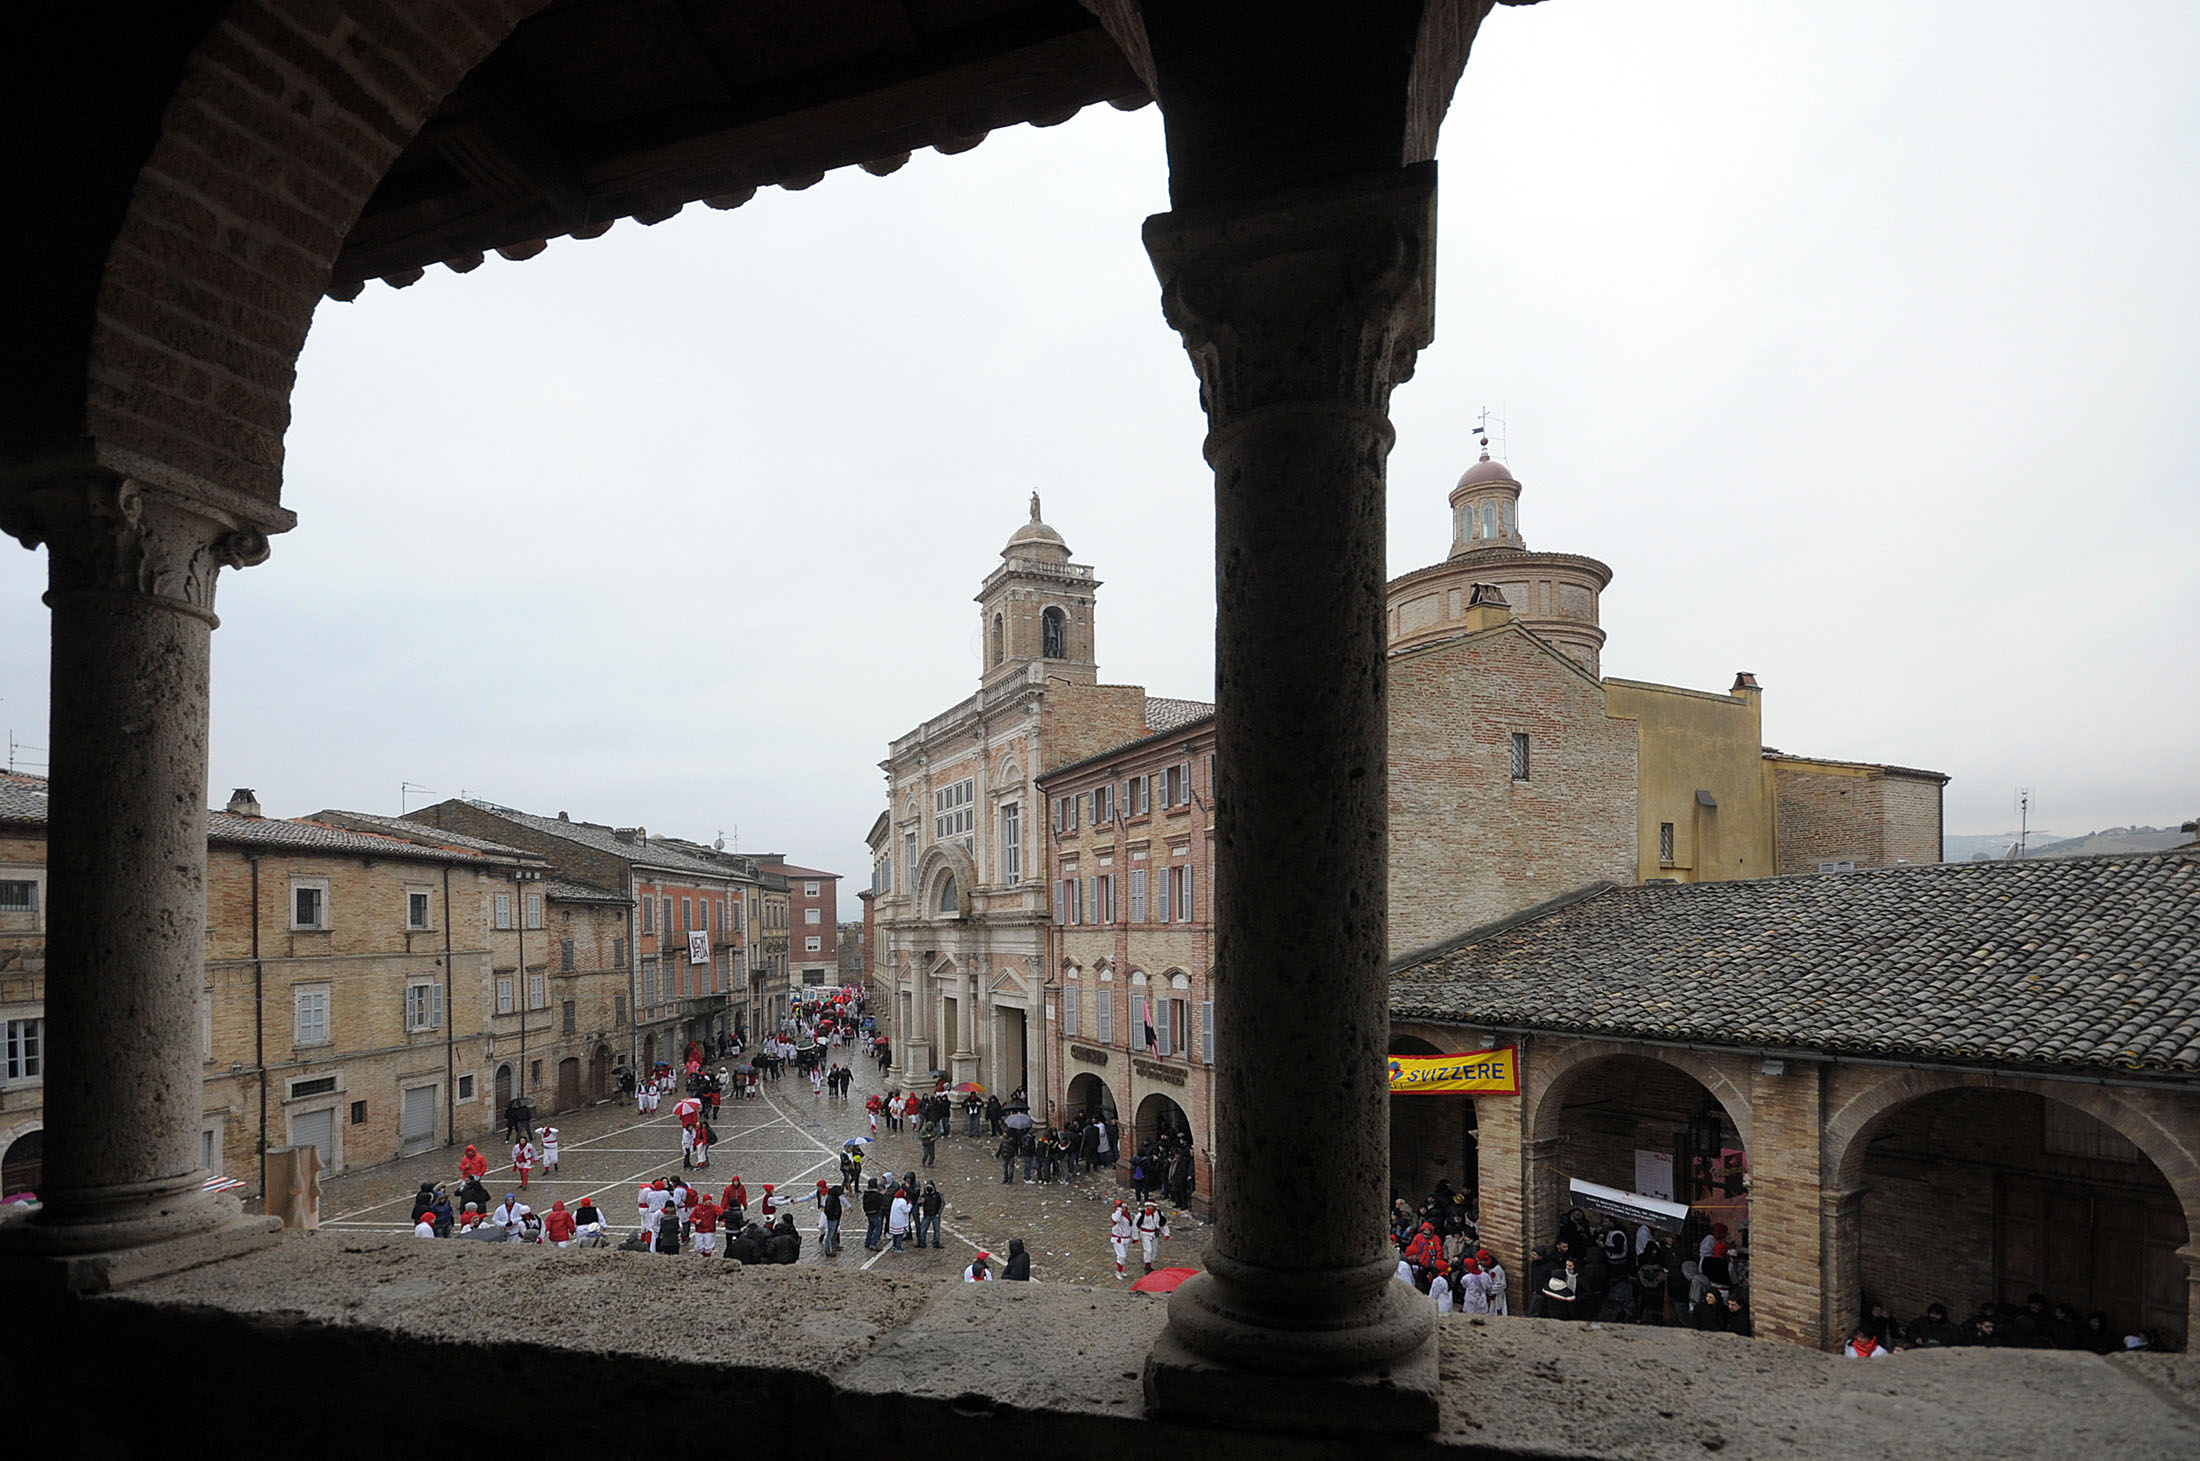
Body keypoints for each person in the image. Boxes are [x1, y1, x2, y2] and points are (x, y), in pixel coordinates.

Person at [1136, 1200, 1170, 1274]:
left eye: (1152, 1206)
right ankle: (1147, 1266)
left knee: (1154, 1250)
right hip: (1145, 1233)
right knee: (1148, 1250)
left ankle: (1150, 1263)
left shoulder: (1159, 1213)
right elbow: (1136, 1225)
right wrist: (1135, 1236)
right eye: (1149, 1206)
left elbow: (1163, 1223)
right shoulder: (1141, 1214)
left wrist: (1166, 1233)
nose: (1150, 1208)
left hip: (1155, 1234)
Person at [1109, 1201, 1136, 1280]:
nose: (1123, 1209)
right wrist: (1119, 1210)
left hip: (1126, 1239)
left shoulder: (1129, 1216)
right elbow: (1116, 1219)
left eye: (1124, 1208)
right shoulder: (1116, 1215)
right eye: (1122, 1208)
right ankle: (1118, 1271)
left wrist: (1134, 1237)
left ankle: (1121, 1271)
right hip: (1118, 1239)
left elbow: (1132, 1227)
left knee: (1124, 1257)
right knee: (1121, 1255)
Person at [861, 1178, 886, 1250]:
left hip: (869, 1214)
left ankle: (867, 1241)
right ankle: (873, 1243)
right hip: (875, 1213)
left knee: (871, 1227)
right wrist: (881, 1195)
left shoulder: (866, 1194)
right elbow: (880, 1202)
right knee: (878, 1228)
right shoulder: (876, 1194)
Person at [918, 1181, 944, 1249]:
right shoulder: (923, 1195)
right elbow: (919, 1203)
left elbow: (942, 1203)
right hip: (927, 1215)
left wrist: (938, 1212)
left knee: (936, 1230)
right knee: (923, 1229)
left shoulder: (938, 1195)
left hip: (935, 1215)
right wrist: (921, 1202)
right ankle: (922, 1242)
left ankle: (936, 1242)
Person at [888, 1186, 912, 1252]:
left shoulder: (895, 1200)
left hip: (893, 1220)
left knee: (895, 1234)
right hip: (899, 1221)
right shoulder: (902, 1201)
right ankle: (898, 1247)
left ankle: (894, 1246)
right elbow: (906, 1210)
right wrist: (910, 1205)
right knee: (900, 1234)